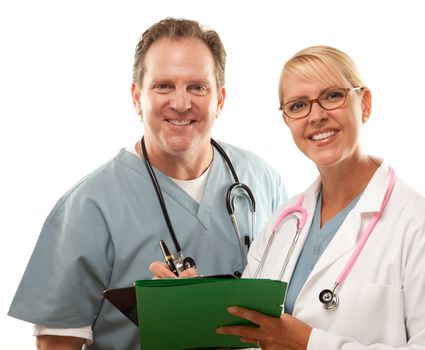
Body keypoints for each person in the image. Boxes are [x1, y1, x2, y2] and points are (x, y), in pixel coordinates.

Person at [8, 18, 287, 350]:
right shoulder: (89, 206)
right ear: (136, 96)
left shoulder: (262, 179)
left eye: (198, 87)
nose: (181, 103)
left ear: (220, 98)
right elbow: (57, 343)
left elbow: (292, 301)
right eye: (163, 86)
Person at [214, 46, 425, 349]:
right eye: (298, 105)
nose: (316, 116)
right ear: (287, 121)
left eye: (332, 96)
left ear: (364, 104)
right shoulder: (282, 224)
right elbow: (250, 329)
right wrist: (194, 297)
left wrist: (311, 344)